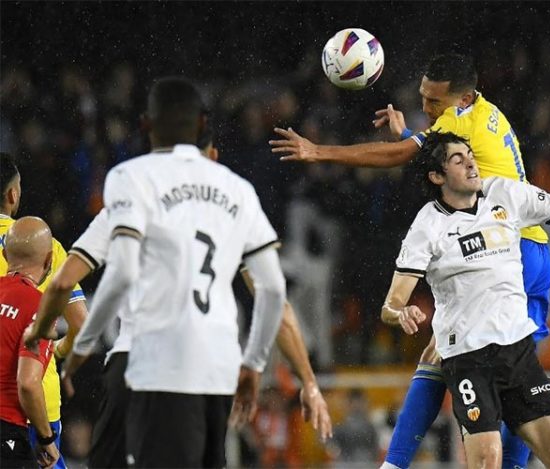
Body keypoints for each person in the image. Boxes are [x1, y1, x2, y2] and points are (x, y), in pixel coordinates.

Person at [271, 53, 550, 469]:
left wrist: (319, 151)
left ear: (462, 99)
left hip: (506, 253)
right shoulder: (482, 112)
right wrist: (414, 133)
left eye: (434, 103)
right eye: (422, 97)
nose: (426, 108)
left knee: (449, 358)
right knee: (497, 369)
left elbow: (397, 157)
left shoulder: (458, 122)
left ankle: (396, 464)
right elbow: (431, 146)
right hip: (530, 250)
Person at [24, 131, 331, 468]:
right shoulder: (232, 209)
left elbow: (63, 280)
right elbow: (275, 305)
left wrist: (39, 332)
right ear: (212, 156)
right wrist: (309, 381)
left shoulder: (127, 202)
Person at [380, 132, 550, 468]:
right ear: (437, 176)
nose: (471, 162)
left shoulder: (506, 195)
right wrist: (399, 312)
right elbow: (392, 302)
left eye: (469, 154)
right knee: (488, 460)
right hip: (468, 359)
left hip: (518, 354)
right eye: (457, 160)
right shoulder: (427, 226)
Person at [0, 152, 88, 468]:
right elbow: (82, 325)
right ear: (13, 194)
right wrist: (59, 352)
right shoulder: (44, 246)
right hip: (34, 404)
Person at [0, 217, 60, 469]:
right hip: (6, 435)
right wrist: (46, 437)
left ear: (5, 254)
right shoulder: (39, 308)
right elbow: (28, 383)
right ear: (48, 260)